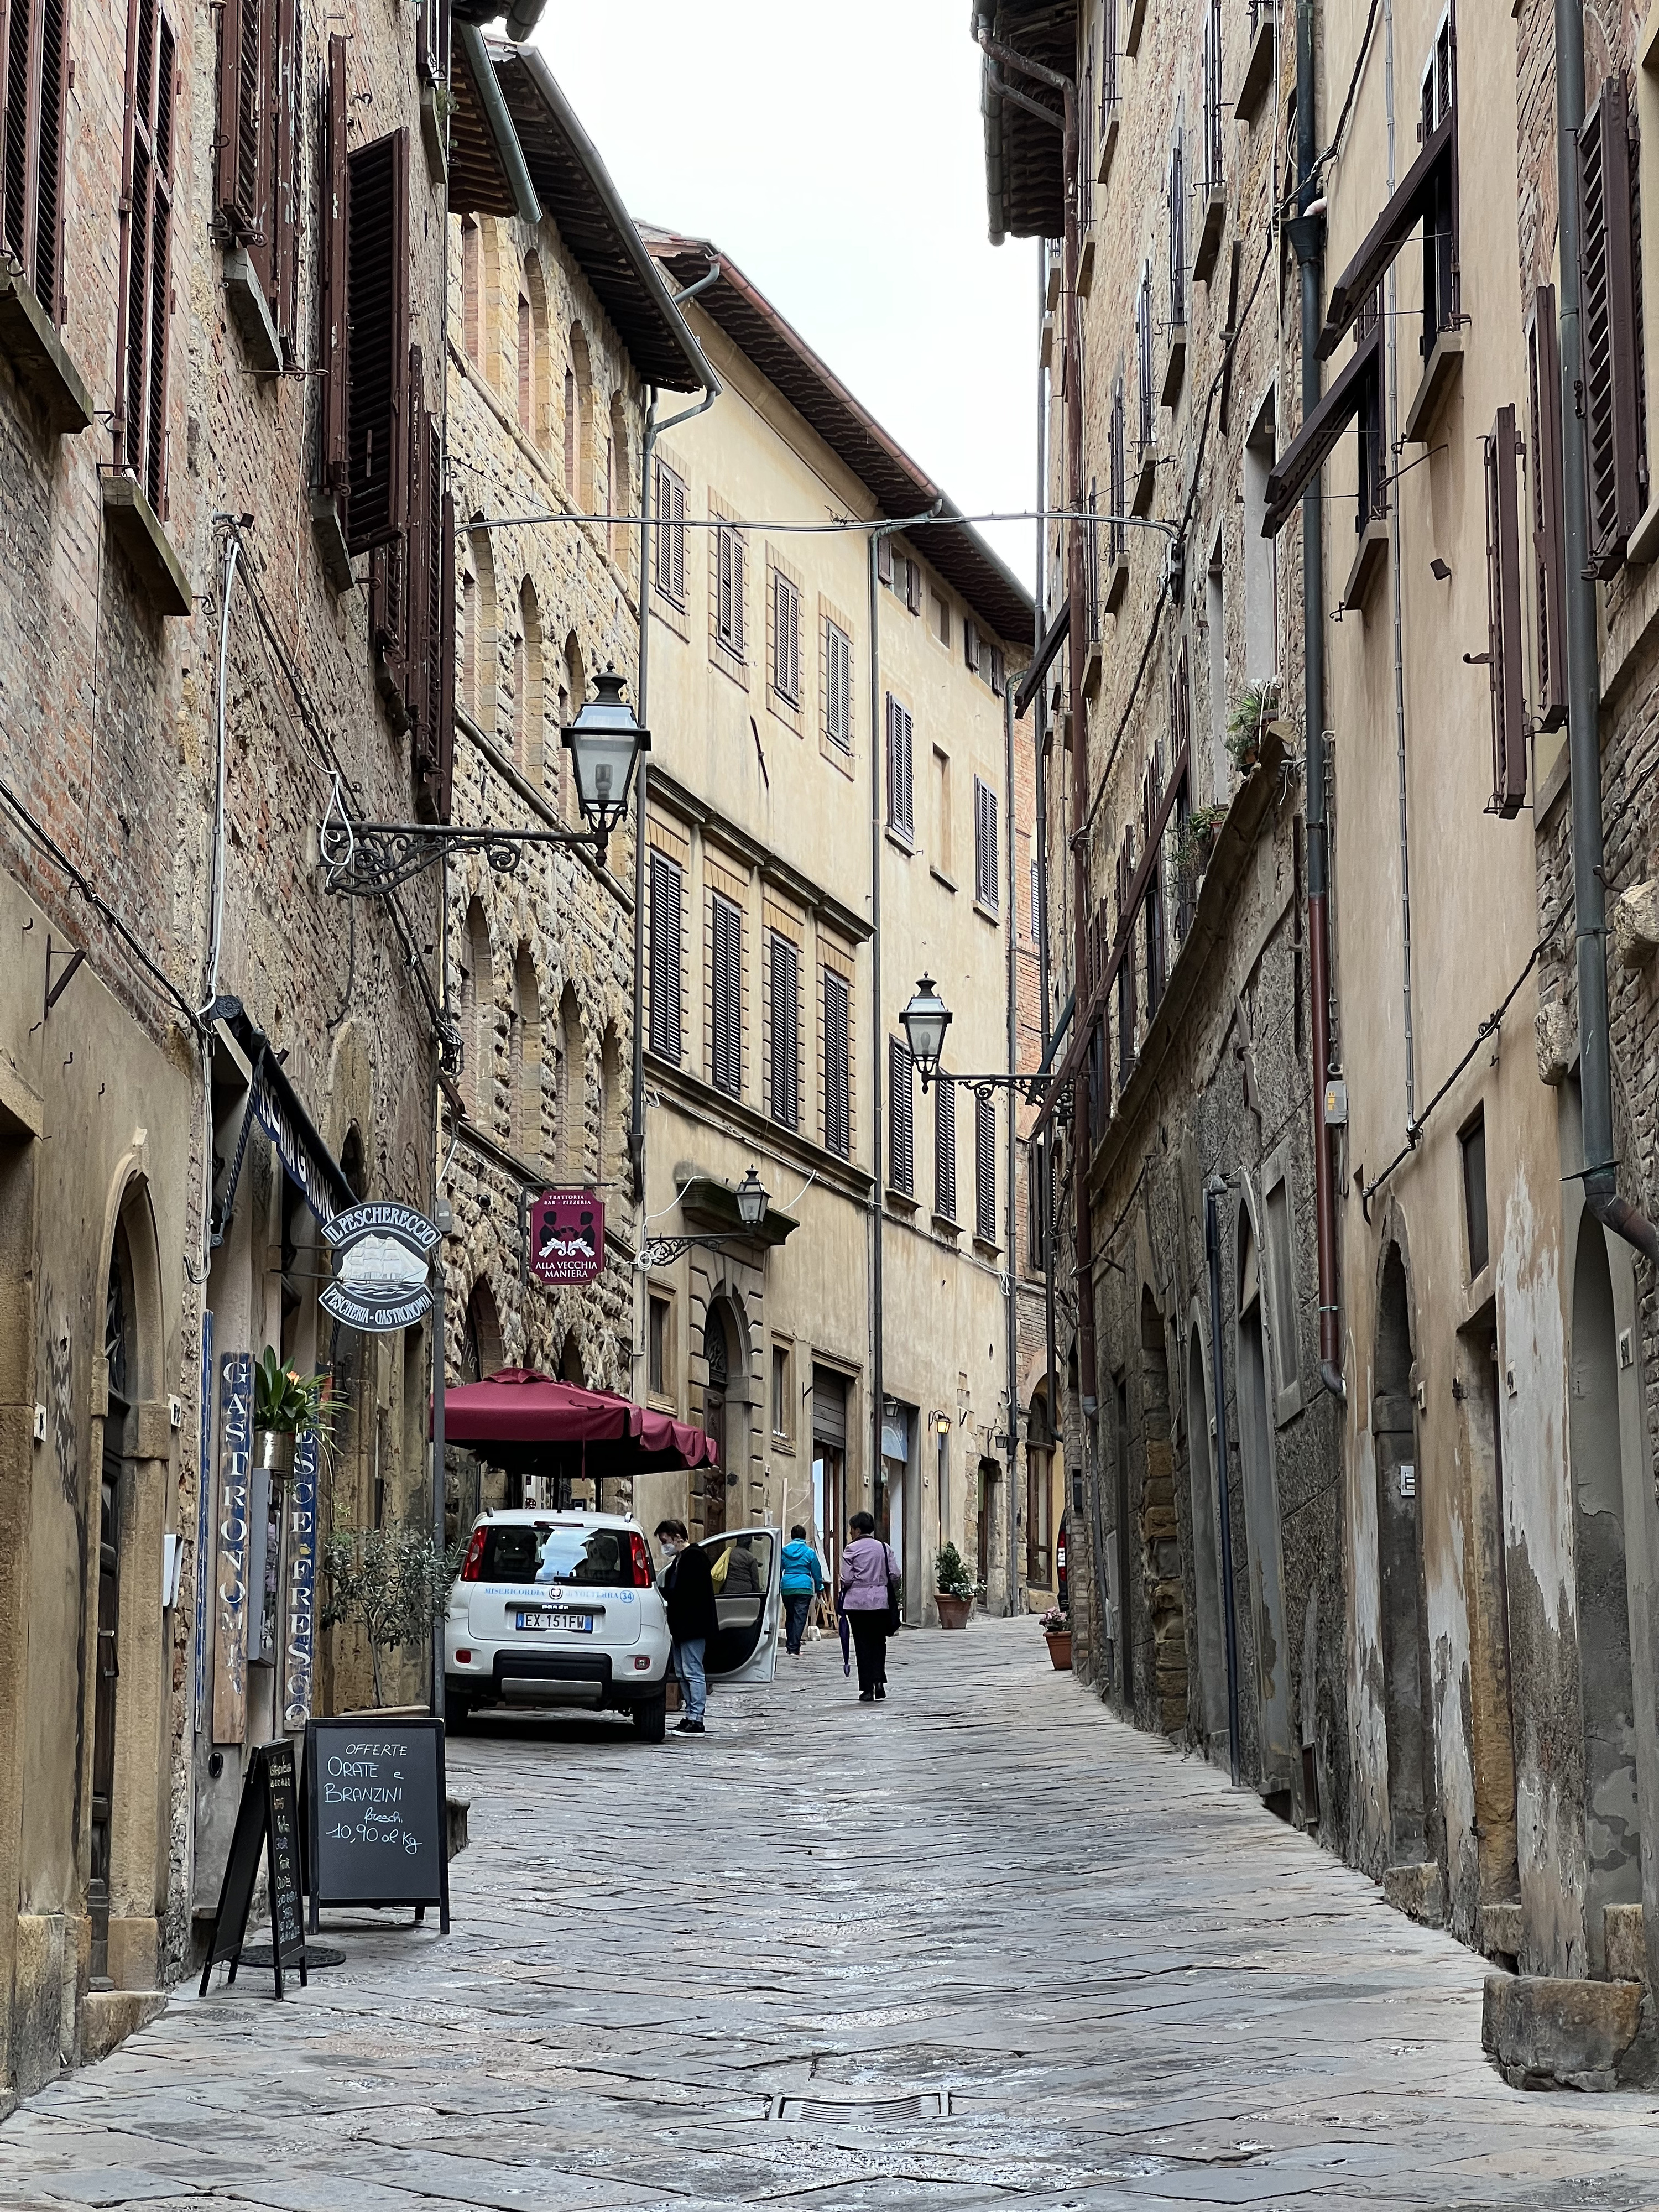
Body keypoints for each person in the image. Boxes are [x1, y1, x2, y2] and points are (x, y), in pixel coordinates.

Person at [655, 1519, 718, 1735]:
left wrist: (663, 1593)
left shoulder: (694, 1558)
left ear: (677, 1537)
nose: (664, 1545)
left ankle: (697, 1718)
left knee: (692, 1670)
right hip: (682, 1625)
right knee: (683, 1671)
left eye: (665, 1540)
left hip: (693, 1625)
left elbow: (686, 1593)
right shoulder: (680, 1560)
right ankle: (690, 1714)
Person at [838, 1510, 898, 1703]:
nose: (850, 1534)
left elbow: (846, 1578)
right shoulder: (884, 1547)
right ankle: (879, 1679)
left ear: (857, 1530)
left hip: (857, 1603)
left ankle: (867, 1690)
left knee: (862, 1644)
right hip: (880, 1602)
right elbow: (895, 1574)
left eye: (851, 1530)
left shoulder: (851, 1550)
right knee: (879, 1642)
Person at [780, 1525, 825, 1656]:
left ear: (792, 1536)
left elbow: (778, 1569)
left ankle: (791, 1646)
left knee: (790, 1616)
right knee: (800, 1618)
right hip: (804, 1588)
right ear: (804, 1537)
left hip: (787, 1587)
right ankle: (794, 1647)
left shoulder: (784, 1551)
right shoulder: (810, 1552)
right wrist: (819, 1588)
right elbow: (816, 1572)